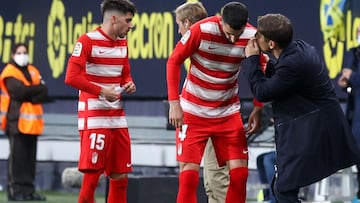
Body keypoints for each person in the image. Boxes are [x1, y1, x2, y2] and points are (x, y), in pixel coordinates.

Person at [242, 13, 360, 202]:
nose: (255, 39)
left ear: (271, 43)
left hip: (313, 131)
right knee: (282, 188)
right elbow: (280, 75)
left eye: (259, 36)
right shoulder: (299, 49)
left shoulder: (293, 64)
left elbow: (262, 92)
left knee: (284, 189)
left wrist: (252, 60)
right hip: (309, 126)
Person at [167, 2, 267, 202]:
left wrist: (258, 107)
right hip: (193, 111)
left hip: (227, 112)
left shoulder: (252, 36)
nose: (232, 39)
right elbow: (174, 61)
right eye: (229, 33)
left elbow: (261, 67)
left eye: (237, 34)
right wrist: (174, 103)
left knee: (239, 175)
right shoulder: (201, 30)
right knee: (188, 177)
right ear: (221, 20)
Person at [64, 0, 136, 203]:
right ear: (114, 19)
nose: (131, 25)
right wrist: (102, 91)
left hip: (117, 117)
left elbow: (125, 74)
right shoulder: (87, 40)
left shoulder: (122, 43)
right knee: (92, 177)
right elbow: (71, 77)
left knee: (120, 176)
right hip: (94, 116)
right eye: (128, 20)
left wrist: (129, 83)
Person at [173, 2, 229, 202]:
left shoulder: (205, 40)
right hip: (203, 114)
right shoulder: (201, 39)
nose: (179, 31)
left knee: (216, 179)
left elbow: (173, 62)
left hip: (213, 116)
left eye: (179, 25)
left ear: (187, 23)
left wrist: (175, 104)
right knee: (211, 180)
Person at [0, 43, 48, 201]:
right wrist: (34, 90)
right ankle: (15, 191)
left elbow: (44, 91)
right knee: (17, 160)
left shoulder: (33, 70)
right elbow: (18, 92)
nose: (23, 55)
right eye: (19, 52)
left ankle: (28, 191)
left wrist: (30, 92)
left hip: (32, 124)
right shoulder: (9, 71)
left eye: (25, 52)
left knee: (29, 160)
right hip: (16, 121)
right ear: (13, 55)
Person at [337, 25, 360, 203]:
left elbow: (350, 75)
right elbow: (344, 76)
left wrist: (352, 76)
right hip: (355, 110)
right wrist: (348, 78)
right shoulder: (355, 51)